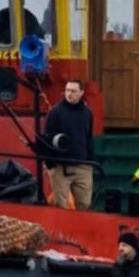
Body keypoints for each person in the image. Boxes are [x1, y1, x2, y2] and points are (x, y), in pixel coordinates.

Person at [43, 78, 95, 210]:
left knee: (85, 204)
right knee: (61, 205)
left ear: (81, 92)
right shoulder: (55, 112)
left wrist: (90, 160)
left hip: (83, 166)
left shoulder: (87, 113)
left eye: (73, 91)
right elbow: (46, 138)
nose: (69, 94)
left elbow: (88, 137)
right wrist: (51, 164)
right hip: (61, 166)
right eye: (67, 90)